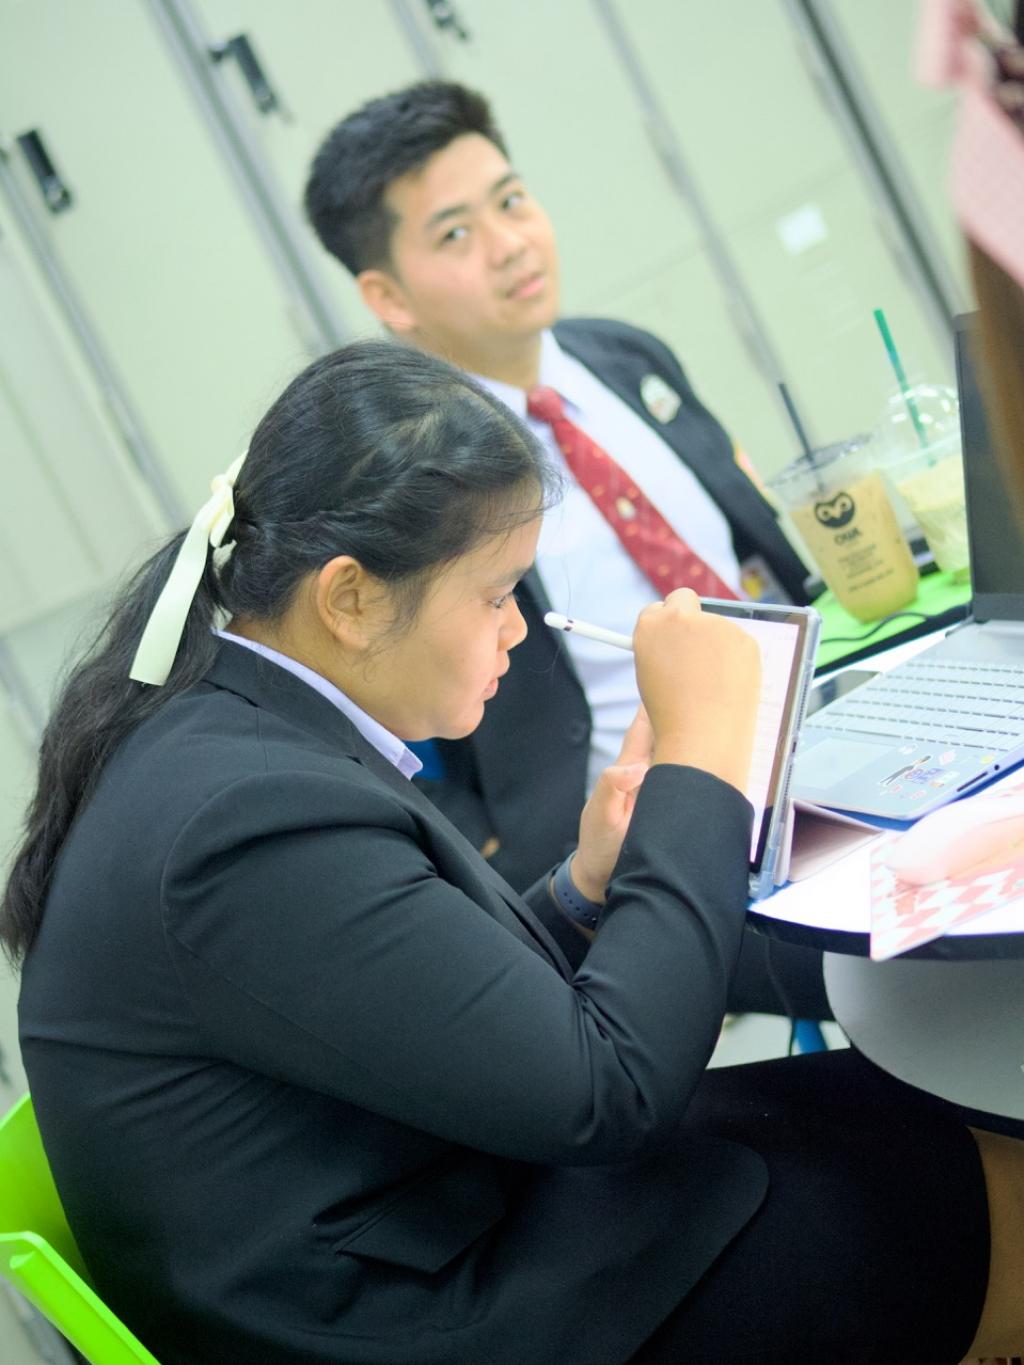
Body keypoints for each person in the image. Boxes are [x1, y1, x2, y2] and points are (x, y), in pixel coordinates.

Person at [3, 339, 1023, 1364]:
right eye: (496, 596)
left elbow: (411, 1007)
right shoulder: (243, 820)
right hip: (441, 1311)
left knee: (910, 1116)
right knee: (974, 1174)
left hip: (442, 1213)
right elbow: (610, 1095)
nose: (516, 633)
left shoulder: (229, 739)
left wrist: (583, 887)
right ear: (350, 598)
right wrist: (703, 757)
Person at [304, 80, 831, 1021]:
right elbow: (365, 726)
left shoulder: (628, 357)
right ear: (387, 295)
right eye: (455, 234)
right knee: (888, 961)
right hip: (647, 851)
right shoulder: (408, 484)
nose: (510, 243)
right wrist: (492, 861)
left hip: (814, 752)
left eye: (511, 200)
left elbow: (764, 560)